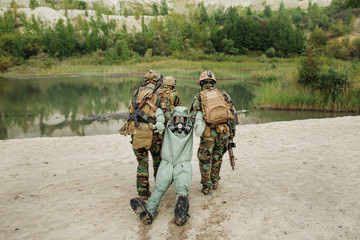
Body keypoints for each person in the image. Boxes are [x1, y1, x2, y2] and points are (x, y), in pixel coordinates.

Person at [130, 106, 194, 226]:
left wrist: (200, 120)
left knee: (182, 189)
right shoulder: (166, 126)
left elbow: (200, 126)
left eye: (182, 119)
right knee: (159, 188)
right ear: (173, 119)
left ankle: (181, 211)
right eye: (177, 119)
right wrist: (160, 120)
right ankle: (150, 210)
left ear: (186, 120)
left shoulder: (191, 127)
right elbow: (157, 110)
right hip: (167, 164)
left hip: (183, 164)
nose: (179, 122)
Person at [120, 70, 171, 200]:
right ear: (156, 80)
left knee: (142, 163)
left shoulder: (137, 92)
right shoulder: (160, 93)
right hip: (154, 135)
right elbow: (167, 115)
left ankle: (142, 193)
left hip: (137, 133)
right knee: (157, 162)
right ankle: (159, 191)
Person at [190, 70, 237, 196]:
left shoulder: (199, 96)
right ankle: (215, 182)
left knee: (205, 159)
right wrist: (232, 132)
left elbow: (193, 117)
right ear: (213, 82)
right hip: (223, 132)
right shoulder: (223, 94)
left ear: (201, 83)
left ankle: (207, 187)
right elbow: (232, 113)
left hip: (208, 134)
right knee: (217, 158)